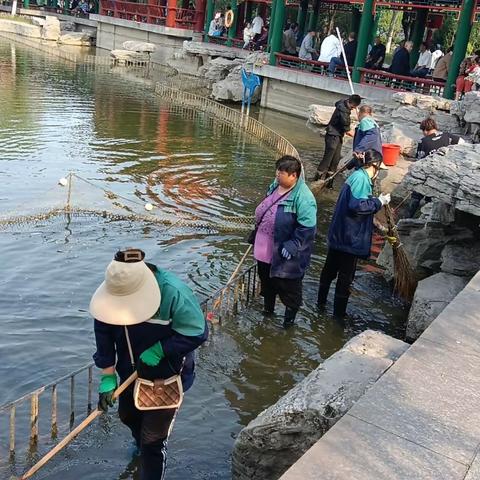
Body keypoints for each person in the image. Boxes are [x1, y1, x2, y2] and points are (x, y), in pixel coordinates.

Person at [91, 248, 208, 480]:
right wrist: (107, 376)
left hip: (166, 375)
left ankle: (149, 458)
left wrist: (162, 349)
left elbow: (197, 332)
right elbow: (103, 332)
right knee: (127, 416)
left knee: (153, 442)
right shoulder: (112, 293)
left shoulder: (173, 292)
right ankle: (140, 445)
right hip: (129, 372)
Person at [316, 150, 391, 319]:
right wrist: (379, 202)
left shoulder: (356, 176)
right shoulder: (362, 179)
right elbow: (357, 206)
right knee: (345, 278)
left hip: (339, 235)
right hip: (350, 238)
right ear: (374, 166)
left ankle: (320, 305)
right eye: (378, 168)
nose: (378, 172)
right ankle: (338, 318)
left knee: (329, 271)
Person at [253, 156, 317, 328]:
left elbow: (307, 228)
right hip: (265, 247)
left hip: (286, 253)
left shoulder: (304, 198)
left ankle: (288, 323)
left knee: (289, 288)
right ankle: (268, 312)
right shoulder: (275, 186)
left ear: (293, 175)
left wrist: (293, 244)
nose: (277, 175)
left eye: (281, 172)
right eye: (277, 171)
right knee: (267, 281)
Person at [407, 118, 461, 218]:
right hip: (446, 174)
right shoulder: (447, 136)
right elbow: (463, 143)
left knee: (416, 195)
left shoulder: (423, 141)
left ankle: (408, 217)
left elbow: (419, 160)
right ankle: (427, 218)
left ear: (425, 130)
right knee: (432, 199)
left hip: (428, 174)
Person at [314, 94, 362, 181]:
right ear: (352, 105)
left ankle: (329, 182)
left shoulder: (343, 102)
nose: (354, 109)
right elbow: (348, 130)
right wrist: (359, 135)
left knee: (335, 160)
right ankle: (317, 179)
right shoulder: (344, 113)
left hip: (338, 135)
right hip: (333, 136)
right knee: (327, 159)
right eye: (354, 107)